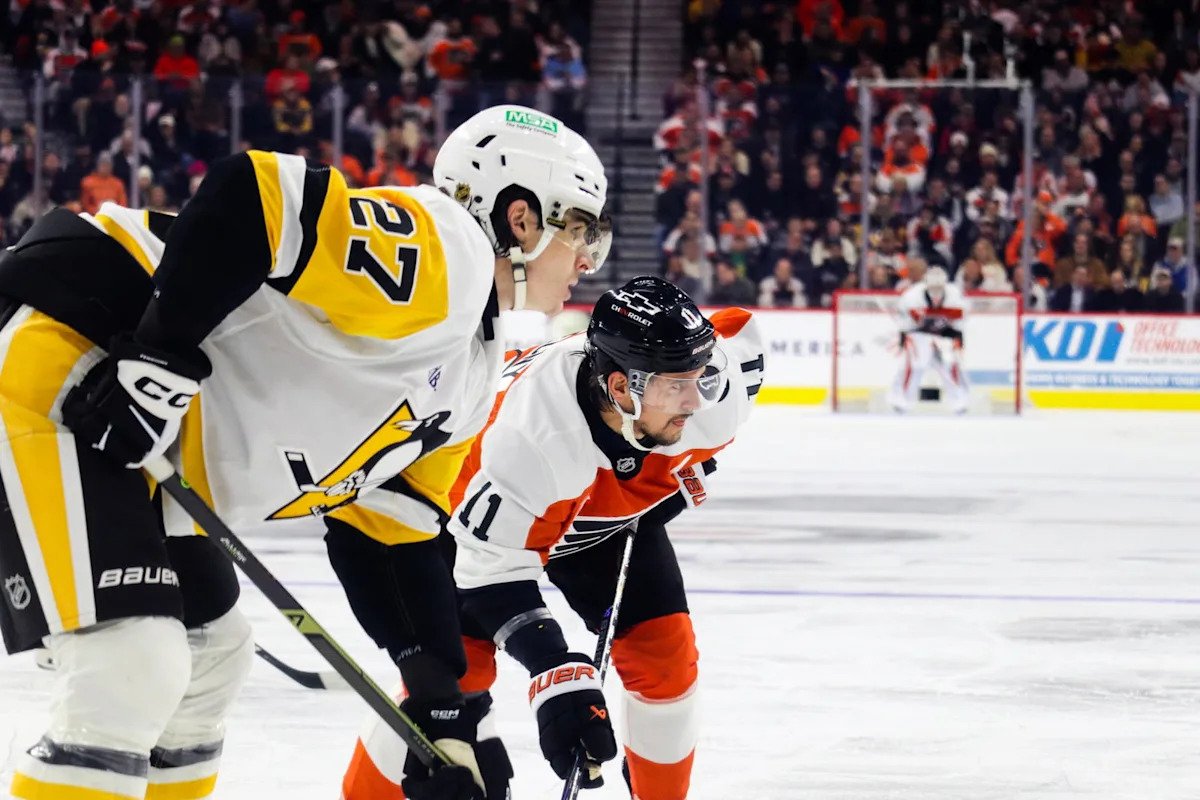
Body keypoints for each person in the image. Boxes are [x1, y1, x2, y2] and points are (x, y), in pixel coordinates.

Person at [0, 105, 611, 800]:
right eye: (581, 230)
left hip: (132, 440)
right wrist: (158, 359)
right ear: (521, 219)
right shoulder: (449, 256)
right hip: (67, 355)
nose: (587, 260)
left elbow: (393, 540)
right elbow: (252, 194)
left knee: (208, 663)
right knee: (130, 666)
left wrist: (446, 711)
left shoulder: (470, 376)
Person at [342, 277, 765, 800]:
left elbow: (740, 330)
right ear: (620, 389)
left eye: (700, 377)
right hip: (473, 527)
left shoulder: (723, 386)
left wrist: (676, 475)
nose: (696, 401)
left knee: (666, 658)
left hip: (599, 519)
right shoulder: (531, 438)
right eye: (675, 385)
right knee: (450, 684)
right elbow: (491, 574)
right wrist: (553, 666)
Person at [887, 267, 969, 414]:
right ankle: (901, 400)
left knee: (950, 364)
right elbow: (904, 324)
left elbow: (960, 324)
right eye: (932, 288)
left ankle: (959, 400)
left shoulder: (956, 297)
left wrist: (958, 340)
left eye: (939, 288)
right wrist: (903, 340)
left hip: (944, 335)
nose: (936, 294)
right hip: (919, 334)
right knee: (915, 364)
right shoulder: (911, 297)